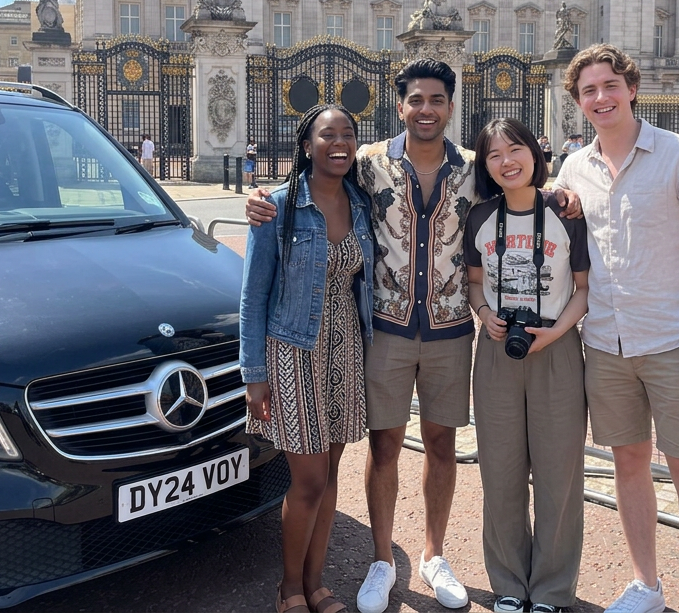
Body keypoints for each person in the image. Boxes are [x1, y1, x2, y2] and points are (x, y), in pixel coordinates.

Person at [247, 61, 576, 613]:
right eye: (416, 100)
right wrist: (263, 199)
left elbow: (520, 184)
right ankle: (382, 559)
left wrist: (561, 193)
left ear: (450, 106)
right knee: (384, 447)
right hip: (385, 331)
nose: (426, 109)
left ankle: (433, 553)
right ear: (400, 105)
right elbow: (314, 181)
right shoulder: (368, 161)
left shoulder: (473, 166)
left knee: (442, 446)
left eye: (437, 100)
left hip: (451, 330)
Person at [552, 43, 679, 613]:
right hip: (605, 344)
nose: (601, 98)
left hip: (674, 342)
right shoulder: (573, 168)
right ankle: (646, 585)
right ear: (579, 102)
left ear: (631, 89)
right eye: (589, 90)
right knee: (628, 466)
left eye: (610, 85)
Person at [239, 105, 376, 613]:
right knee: (310, 478)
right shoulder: (277, 207)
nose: (339, 143)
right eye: (327, 135)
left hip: (346, 345)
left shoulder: (360, 202)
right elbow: (253, 296)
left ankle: (316, 585)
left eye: (348, 134)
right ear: (306, 145)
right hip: (293, 349)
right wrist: (254, 376)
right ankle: (289, 588)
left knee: (332, 472)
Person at [464, 118, 590, 613]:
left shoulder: (565, 212)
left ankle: (553, 589)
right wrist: (484, 313)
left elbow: (583, 289)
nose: (506, 162)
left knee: (560, 475)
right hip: (498, 350)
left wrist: (556, 332)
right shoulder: (480, 217)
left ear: (535, 154)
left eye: (515, 149)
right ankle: (509, 584)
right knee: (500, 472)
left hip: (556, 349)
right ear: (485, 165)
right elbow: (475, 281)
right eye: (494, 155)